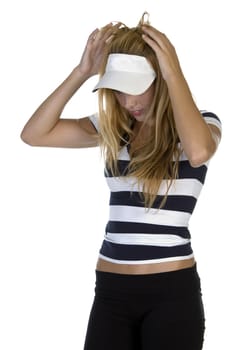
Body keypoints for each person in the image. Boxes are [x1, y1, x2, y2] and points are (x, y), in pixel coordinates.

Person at [21, 12, 221, 350]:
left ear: (160, 77)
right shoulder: (114, 129)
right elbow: (34, 135)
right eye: (118, 91)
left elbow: (199, 152)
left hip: (171, 293)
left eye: (136, 89)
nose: (128, 102)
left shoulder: (201, 124)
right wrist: (82, 72)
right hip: (111, 290)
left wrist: (172, 69)